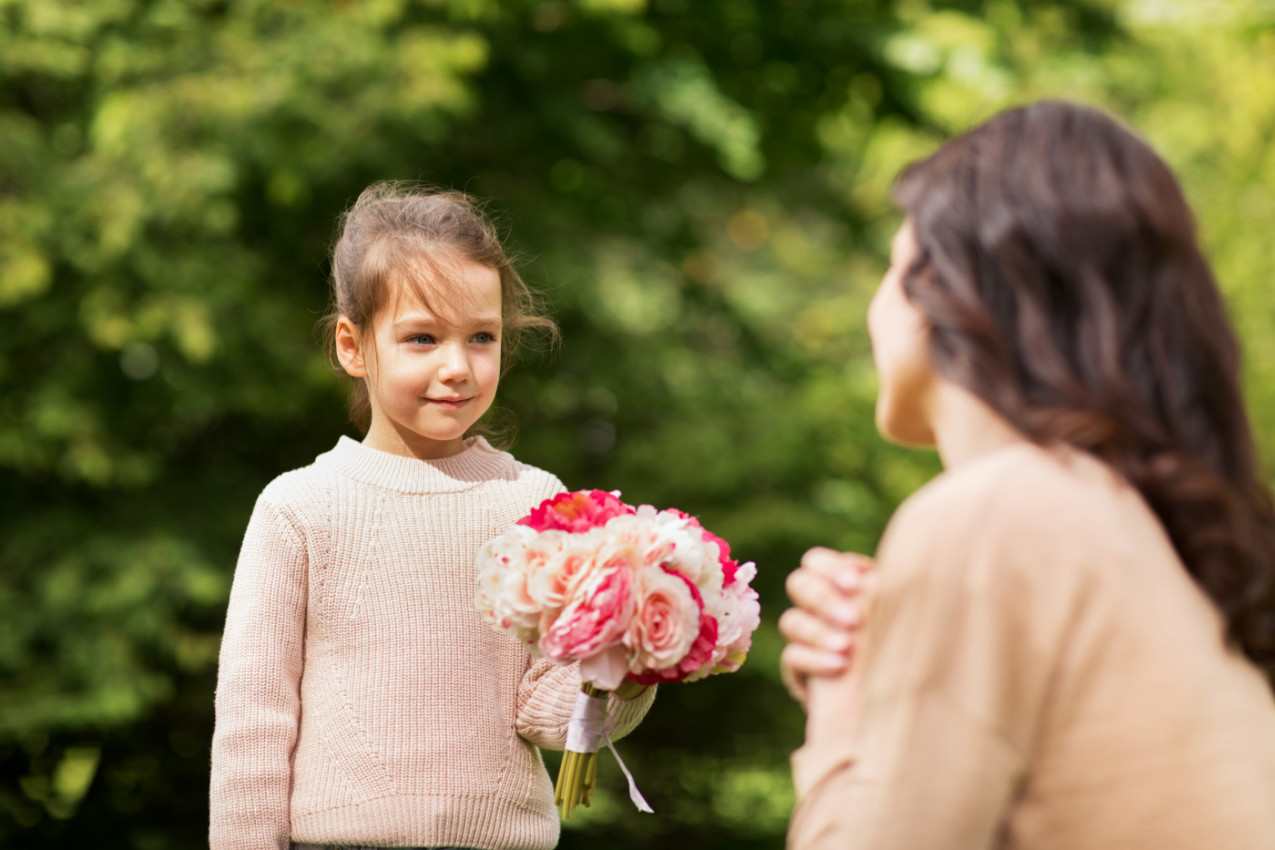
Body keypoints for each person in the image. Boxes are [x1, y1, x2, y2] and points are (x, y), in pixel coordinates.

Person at [778, 101, 1275, 848]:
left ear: (939, 285)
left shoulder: (993, 515)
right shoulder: (1159, 538)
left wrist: (842, 713)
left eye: (890, 261)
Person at [209, 182, 655, 850]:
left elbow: (549, 710)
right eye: (422, 338)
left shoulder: (538, 506)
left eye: (481, 336)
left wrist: (637, 657)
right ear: (353, 346)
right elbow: (254, 722)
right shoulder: (298, 508)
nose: (457, 367)